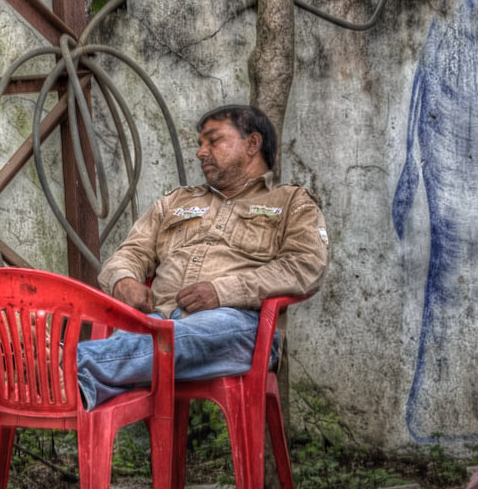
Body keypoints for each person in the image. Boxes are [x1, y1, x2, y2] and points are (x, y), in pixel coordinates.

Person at [77, 103, 328, 408]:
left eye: (213, 141)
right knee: (160, 336)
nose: (200, 152)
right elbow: (131, 251)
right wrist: (123, 280)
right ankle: (81, 379)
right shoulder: (175, 202)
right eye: (200, 144)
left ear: (252, 144)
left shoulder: (291, 203)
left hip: (237, 326)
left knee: (178, 336)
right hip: (158, 320)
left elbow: (304, 267)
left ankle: (61, 365)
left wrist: (222, 291)